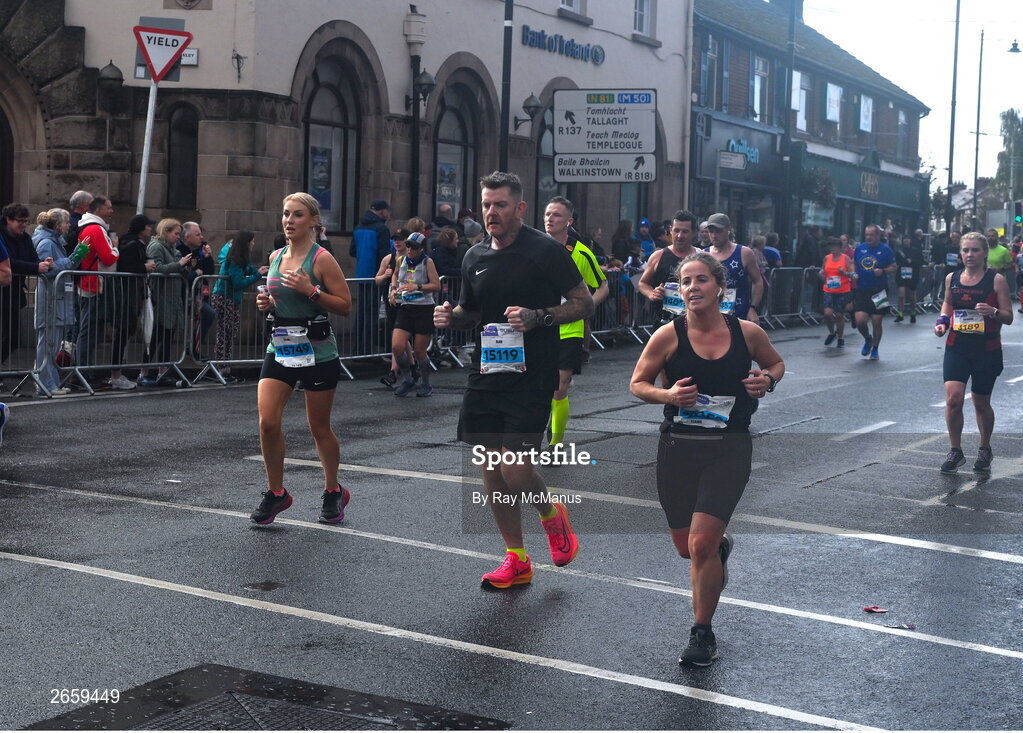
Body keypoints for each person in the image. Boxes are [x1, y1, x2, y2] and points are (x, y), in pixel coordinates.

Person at [433, 171, 592, 588]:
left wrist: (539, 317)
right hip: (487, 372)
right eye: (486, 205)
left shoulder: (544, 250)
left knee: (516, 471)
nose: (491, 213)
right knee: (488, 465)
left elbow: (583, 302)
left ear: (520, 207)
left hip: (532, 373)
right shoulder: (474, 256)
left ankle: (551, 514)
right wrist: (452, 317)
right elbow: (472, 313)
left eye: (500, 205)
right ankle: (516, 558)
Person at [629, 251, 784, 667]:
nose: (692, 287)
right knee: (686, 547)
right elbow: (638, 383)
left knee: (700, 544)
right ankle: (720, 548)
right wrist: (668, 395)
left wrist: (765, 380)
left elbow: (775, 363)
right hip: (678, 447)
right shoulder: (668, 334)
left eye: (701, 280)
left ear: (719, 288)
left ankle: (702, 633)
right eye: (685, 281)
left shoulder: (747, 332)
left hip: (728, 447)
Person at [252, 192, 353, 525]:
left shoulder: (321, 259)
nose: (289, 221)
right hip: (281, 345)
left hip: (317, 348)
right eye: (285, 214)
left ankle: (333, 490)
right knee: (268, 422)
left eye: (297, 215)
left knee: (318, 427)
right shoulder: (276, 255)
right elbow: (276, 299)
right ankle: (276, 493)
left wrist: (311, 290)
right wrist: (267, 304)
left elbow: (344, 305)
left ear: (313, 221)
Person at [934, 232, 1012, 474]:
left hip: (986, 349)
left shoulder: (996, 280)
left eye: (975, 250)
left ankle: (984, 447)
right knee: (954, 398)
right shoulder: (952, 278)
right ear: (960, 253)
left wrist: (993, 311)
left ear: (984, 253)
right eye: (966, 250)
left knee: (981, 403)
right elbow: (948, 303)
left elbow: (1008, 316)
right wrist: (942, 321)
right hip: (957, 346)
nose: (970, 255)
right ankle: (955, 451)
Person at [543, 196, 608, 446]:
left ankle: (555, 443)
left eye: (557, 215)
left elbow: (602, 286)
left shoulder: (582, 252)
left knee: (560, 386)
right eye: (548, 214)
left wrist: (586, 305)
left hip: (569, 328)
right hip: (537, 326)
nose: (550, 219)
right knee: (538, 388)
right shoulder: (533, 247)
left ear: (569, 221)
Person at [212, 230, 269, 381]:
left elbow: (248, 268)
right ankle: (221, 368)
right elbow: (238, 283)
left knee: (229, 333)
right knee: (225, 334)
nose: (254, 243)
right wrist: (257, 275)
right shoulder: (235, 259)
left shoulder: (240, 258)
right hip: (225, 297)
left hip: (230, 298)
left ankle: (225, 368)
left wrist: (258, 270)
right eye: (252, 241)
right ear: (246, 243)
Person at [107, 214, 155, 390]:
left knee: (127, 331)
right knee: (124, 331)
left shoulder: (134, 242)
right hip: (127, 295)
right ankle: (115, 374)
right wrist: (144, 267)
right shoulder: (132, 244)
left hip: (133, 294)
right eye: (148, 226)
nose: (150, 229)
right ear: (142, 228)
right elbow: (125, 266)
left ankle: (117, 372)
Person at [389, 231, 440, 397]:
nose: (410, 250)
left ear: (421, 248)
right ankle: (408, 379)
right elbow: (395, 276)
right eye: (408, 245)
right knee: (397, 346)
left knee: (419, 351)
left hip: (423, 308)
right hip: (406, 307)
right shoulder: (401, 259)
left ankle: (426, 383)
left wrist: (417, 287)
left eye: (414, 247)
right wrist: (393, 290)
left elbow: (436, 285)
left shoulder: (427, 262)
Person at [1, 204, 51, 367]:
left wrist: (42, 263)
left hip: (13, 293)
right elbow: (8, 263)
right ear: (8, 219)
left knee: (12, 339)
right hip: (3, 291)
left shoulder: (24, 238)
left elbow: (32, 258)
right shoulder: (2, 236)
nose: (23, 225)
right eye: (20, 221)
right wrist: (35, 267)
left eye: (26, 221)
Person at [31, 209, 74, 396]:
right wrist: (71, 260)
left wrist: (73, 259)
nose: (69, 225)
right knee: (48, 343)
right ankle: (45, 383)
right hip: (50, 299)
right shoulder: (47, 242)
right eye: (66, 222)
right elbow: (47, 269)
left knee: (52, 343)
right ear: (58, 225)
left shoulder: (53, 241)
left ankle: (51, 382)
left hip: (55, 298)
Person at [73, 196, 117, 375]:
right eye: (109, 208)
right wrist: (115, 248)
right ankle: (84, 373)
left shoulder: (87, 227)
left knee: (89, 331)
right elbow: (107, 258)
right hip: (93, 285)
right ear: (98, 210)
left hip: (88, 283)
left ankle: (84, 372)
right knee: (89, 331)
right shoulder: (96, 229)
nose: (112, 211)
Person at [143, 219, 190, 386]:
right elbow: (158, 268)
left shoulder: (172, 248)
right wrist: (179, 264)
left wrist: (185, 266)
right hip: (160, 296)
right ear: (166, 231)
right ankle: (144, 371)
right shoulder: (156, 246)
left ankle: (162, 371)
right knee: (155, 336)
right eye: (176, 233)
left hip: (172, 297)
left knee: (168, 335)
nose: (178, 237)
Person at [638, 210, 700, 324]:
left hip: (694, 323)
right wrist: (652, 293)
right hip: (662, 322)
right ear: (670, 230)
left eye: (685, 231)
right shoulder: (658, 256)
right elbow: (643, 283)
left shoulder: (702, 258)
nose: (680, 236)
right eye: (676, 230)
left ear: (694, 233)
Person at [703, 213, 762, 323]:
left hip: (739, 315)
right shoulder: (703, 255)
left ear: (728, 229)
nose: (714, 235)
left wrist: (753, 308)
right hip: (711, 317)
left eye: (718, 231)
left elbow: (757, 281)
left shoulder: (744, 253)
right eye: (711, 231)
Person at [351, 199, 391, 354]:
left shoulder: (359, 226)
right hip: (377, 275)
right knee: (371, 314)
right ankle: (367, 351)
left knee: (361, 313)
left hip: (361, 275)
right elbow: (385, 255)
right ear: (382, 211)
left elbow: (352, 251)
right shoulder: (381, 228)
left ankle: (357, 349)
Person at [853, 224, 897, 360]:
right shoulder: (860, 248)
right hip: (862, 289)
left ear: (878, 236)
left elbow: (894, 267)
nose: (869, 237)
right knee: (860, 321)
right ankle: (868, 339)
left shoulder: (885, 250)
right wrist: (854, 273)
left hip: (879, 290)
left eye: (871, 235)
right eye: (867, 234)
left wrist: (883, 271)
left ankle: (875, 349)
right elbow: (853, 262)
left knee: (877, 321)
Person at [819, 236, 854, 347]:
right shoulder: (827, 258)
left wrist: (844, 272)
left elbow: (852, 275)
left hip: (842, 290)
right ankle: (832, 333)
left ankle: (840, 337)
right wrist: (821, 274)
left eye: (835, 247)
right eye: (831, 247)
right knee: (827, 314)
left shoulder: (846, 259)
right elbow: (823, 271)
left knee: (839, 315)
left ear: (840, 247)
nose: (833, 249)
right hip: (828, 289)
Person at [893, 234, 922, 324]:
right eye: (904, 240)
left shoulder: (915, 251)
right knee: (901, 295)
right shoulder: (899, 251)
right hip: (901, 274)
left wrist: (912, 261)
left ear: (910, 241)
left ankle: (913, 313)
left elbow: (921, 261)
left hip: (912, 275)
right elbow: (896, 261)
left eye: (907, 240)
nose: (906, 242)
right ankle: (900, 314)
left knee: (912, 297)